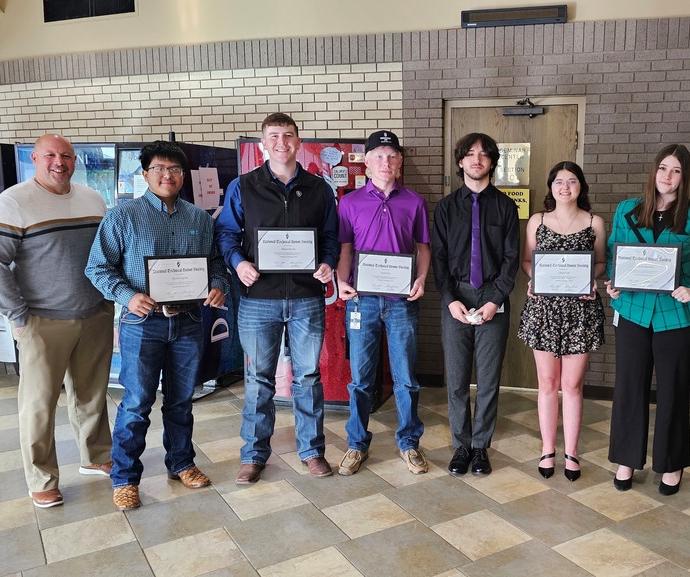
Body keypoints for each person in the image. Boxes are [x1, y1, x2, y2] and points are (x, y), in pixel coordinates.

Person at [85, 141, 228, 510]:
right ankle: (125, 477)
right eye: (160, 169)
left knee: (181, 401)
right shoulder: (122, 216)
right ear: (145, 173)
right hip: (142, 322)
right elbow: (97, 268)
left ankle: (181, 463)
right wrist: (128, 296)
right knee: (136, 403)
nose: (168, 175)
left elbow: (215, 262)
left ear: (183, 175)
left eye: (175, 169)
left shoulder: (199, 218)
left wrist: (217, 284)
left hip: (189, 322)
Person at [0, 134, 114, 508]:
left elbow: (106, 253)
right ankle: (42, 479)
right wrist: (18, 316)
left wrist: (109, 301)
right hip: (42, 320)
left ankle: (96, 456)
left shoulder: (92, 199)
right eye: (51, 155)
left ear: (75, 160)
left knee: (92, 394)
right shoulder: (12, 203)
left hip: (94, 313)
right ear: (35, 159)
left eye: (66, 155)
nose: (59, 162)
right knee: (39, 405)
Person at [215, 112, 339, 483]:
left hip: (306, 298)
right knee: (258, 379)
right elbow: (226, 234)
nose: (281, 142)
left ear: (298, 142)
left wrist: (328, 263)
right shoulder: (243, 186)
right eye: (273, 136)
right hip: (259, 299)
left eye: (288, 135)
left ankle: (312, 452)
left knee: (308, 378)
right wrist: (238, 264)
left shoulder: (319, 188)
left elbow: (330, 237)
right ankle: (253, 455)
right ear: (262, 144)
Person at [604, 144, 690, 496]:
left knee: (673, 390)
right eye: (663, 168)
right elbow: (614, 253)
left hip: (679, 315)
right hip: (633, 311)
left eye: (676, 170)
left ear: (684, 177)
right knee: (629, 387)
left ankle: (671, 463)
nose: (667, 176)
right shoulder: (627, 209)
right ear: (653, 171)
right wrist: (613, 282)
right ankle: (627, 458)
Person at [335, 130, 431, 476]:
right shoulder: (349, 203)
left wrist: (421, 279)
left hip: (402, 302)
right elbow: (346, 250)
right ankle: (356, 443)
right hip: (362, 302)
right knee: (360, 379)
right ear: (367, 161)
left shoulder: (415, 202)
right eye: (379, 155)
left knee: (406, 379)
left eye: (392, 156)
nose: (385, 162)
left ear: (400, 161)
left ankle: (409, 443)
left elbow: (423, 248)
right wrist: (341, 282)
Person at [432, 133, 519, 476]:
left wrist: (496, 299)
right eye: (470, 154)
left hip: (492, 297)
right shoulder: (446, 208)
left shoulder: (506, 207)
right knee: (456, 379)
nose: (477, 159)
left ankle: (481, 447)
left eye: (484, 154)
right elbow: (439, 258)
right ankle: (462, 445)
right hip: (457, 296)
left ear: (492, 162)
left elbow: (511, 260)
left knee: (488, 379)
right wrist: (449, 299)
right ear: (460, 161)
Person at [518, 161, 606, 483]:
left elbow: (600, 262)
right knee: (547, 383)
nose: (565, 187)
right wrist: (535, 278)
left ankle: (571, 451)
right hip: (543, 309)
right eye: (558, 181)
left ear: (581, 186)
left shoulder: (595, 222)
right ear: (551, 186)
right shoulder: (537, 221)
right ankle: (547, 449)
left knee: (571, 385)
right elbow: (527, 261)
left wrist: (590, 279)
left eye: (571, 181)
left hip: (580, 311)